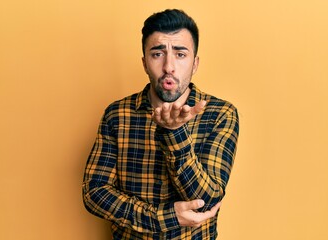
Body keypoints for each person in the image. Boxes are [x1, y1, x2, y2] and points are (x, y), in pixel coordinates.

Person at [82, 9, 239, 240]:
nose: (169, 67)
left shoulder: (219, 114)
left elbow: (206, 200)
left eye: (180, 54)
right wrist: (164, 217)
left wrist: (174, 133)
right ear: (145, 63)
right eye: (157, 54)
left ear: (195, 64)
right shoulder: (117, 114)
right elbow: (95, 193)